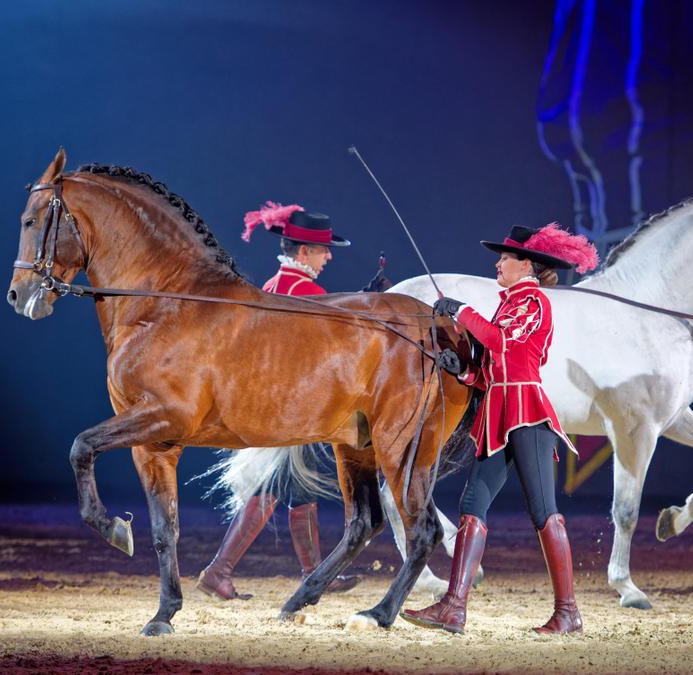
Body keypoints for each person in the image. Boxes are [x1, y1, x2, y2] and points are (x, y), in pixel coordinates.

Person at [401, 223, 598, 634]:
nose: (497, 264)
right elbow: (494, 364)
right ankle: (454, 607)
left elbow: (502, 342)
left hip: (527, 413)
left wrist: (461, 312)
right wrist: (465, 370)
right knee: (473, 504)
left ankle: (568, 613)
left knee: (543, 511)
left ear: (526, 265)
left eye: (504, 258)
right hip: (498, 414)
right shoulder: (509, 302)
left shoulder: (534, 302)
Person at [197, 201, 360, 600]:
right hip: (290, 409)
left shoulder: (271, 285)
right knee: (274, 486)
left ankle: (314, 574)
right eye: (323, 250)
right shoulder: (309, 292)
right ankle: (220, 570)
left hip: (274, 406)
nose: (328, 256)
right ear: (304, 252)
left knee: (298, 490)